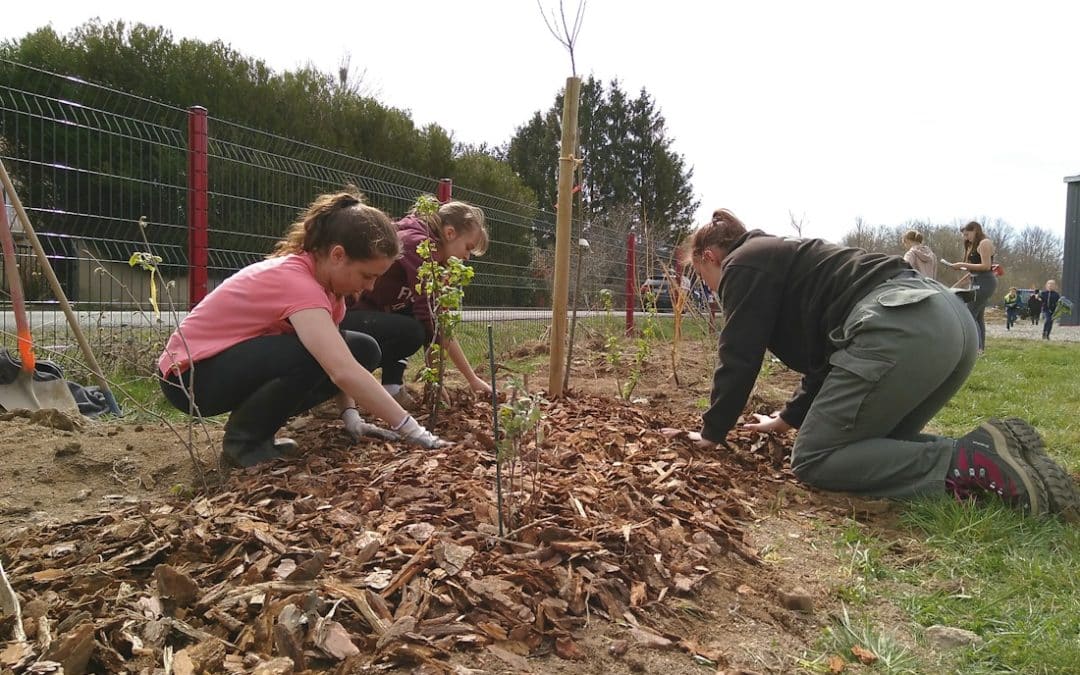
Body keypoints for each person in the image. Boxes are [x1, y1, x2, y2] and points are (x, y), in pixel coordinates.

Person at [685, 208, 1077, 518]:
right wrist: (788, 418)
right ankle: (1013, 461)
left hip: (902, 323)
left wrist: (712, 432)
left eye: (702, 277)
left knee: (815, 459)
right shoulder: (783, 257)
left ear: (710, 257)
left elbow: (739, 351)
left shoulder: (742, 264)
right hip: (949, 323)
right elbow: (827, 362)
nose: (709, 288)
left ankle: (976, 462)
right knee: (873, 450)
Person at [158, 188, 448, 468]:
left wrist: (351, 416)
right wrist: (417, 433)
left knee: (362, 349)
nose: (370, 286)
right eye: (366, 275)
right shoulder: (299, 284)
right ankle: (244, 444)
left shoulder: (328, 290)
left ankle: (256, 433)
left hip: (218, 368)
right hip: (190, 378)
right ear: (338, 255)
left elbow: (341, 361)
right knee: (318, 355)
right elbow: (340, 369)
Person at [340, 198, 492, 404]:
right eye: (468, 247)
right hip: (347, 318)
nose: (467, 257)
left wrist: (445, 380)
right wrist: (456, 380)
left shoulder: (436, 259)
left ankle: (392, 387)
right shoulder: (419, 247)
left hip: (372, 315)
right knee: (412, 331)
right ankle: (345, 387)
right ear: (449, 233)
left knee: (412, 321)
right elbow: (432, 322)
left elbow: (437, 323)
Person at [948, 221, 996, 353]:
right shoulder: (975, 245)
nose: (966, 237)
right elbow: (972, 273)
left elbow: (986, 266)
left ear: (975, 230)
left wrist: (963, 264)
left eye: (967, 234)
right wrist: (955, 286)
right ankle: (980, 348)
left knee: (969, 314)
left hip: (985, 282)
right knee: (978, 316)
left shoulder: (984, 243)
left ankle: (976, 348)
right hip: (977, 281)